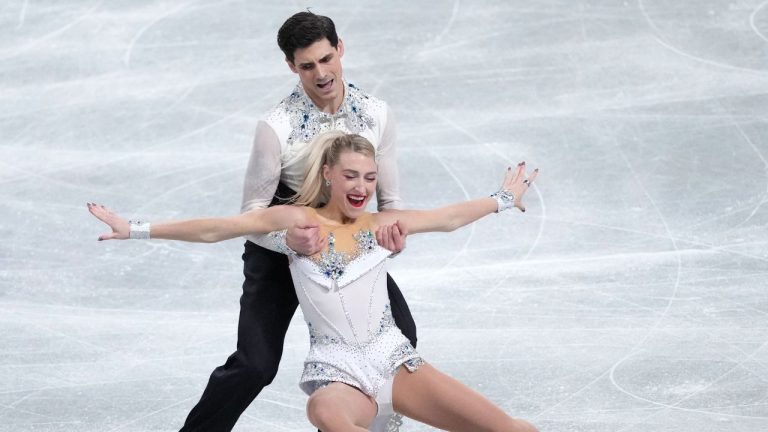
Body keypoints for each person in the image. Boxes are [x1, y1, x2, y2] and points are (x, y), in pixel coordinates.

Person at [88, 132, 540, 432]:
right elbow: (217, 228)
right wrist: (136, 229)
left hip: (394, 361)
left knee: (512, 430)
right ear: (327, 174)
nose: (361, 186)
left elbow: (448, 218)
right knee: (322, 409)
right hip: (338, 370)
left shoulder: (379, 225)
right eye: (350, 176)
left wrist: (503, 198)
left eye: (369, 177)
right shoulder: (297, 221)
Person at [179, 11, 414, 431]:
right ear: (291, 66)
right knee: (255, 364)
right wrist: (287, 241)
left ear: (340, 49)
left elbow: (390, 202)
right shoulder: (277, 125)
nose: (321, 74)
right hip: (279, 245)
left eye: (326, 59)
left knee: (401, 338)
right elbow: (252, 213)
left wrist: (389, 236)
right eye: (307, 66)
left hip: (344, 245)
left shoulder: (377, 114)